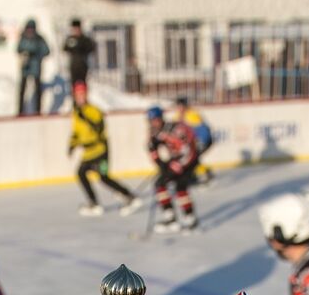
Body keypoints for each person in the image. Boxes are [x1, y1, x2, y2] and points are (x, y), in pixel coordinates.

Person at [70, 86, 141, 217]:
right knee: (81, 173)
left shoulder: (94, 110)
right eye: (78, 95)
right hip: (88, 153)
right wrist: (72, 145)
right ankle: (94, 203)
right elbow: (76, 132)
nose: (80, 98)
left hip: (101, 151)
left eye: (82, 94)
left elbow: (98, 128)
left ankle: (129, 195)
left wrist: (84, 117)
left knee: (103, 176)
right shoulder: (75, 112)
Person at [146, 105, 200, 234]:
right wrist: (160, 163)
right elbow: (152, 148)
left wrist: (178, 165)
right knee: (161, 185)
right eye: (151, 120)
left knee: (180, 187)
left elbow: (188, 149)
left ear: (160, 118)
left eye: (155, 120)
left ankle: (190, 219)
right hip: (176, 160)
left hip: (189, 160)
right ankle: (171, 218)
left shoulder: (175, 129)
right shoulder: (155, 132)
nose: (153, 123)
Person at [174, 95, 214, 184]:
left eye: (181, 106)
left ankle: (197, 175)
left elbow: (203, 130)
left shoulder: (192, 115)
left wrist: (201, 141)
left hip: (203, 140)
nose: (179, 108)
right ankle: (202, 173)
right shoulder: (177, 117)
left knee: (192, 158)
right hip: (191, 143)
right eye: (178, 106)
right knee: (190, 158)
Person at [16, 19, 50, 116]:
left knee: (38, 90)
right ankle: (20, 111)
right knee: (22, 90)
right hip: (25, 68)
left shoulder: (39, 39)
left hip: (36, 68)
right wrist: (24, 54)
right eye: (28, 29)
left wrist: (36, 55)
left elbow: (47, 51)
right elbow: (18, 49)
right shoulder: (23, 38)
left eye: (31, 29)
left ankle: (38, 111)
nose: (30, 31)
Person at [61, 19, 95, 101]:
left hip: (82, 65)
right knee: (74, 85)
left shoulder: (84, 39)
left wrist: (81, 48)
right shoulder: (70, 39)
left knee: (82, 85)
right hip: (73, 65)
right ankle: (75, 102)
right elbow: (65, 48)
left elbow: (91, 48)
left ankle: (84, 101)